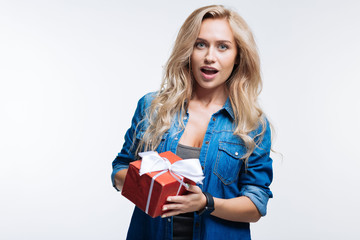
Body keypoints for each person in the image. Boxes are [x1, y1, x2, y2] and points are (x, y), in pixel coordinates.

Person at [111, 4, 273, 240]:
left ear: (238, 57)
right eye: (201, 44)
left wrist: (205, 202)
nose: (210, 57)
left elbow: (257, 204)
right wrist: (151, 185)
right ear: (189, 50)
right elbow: (120, 170)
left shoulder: (252, 124)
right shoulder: (153, 107)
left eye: (223, 47)